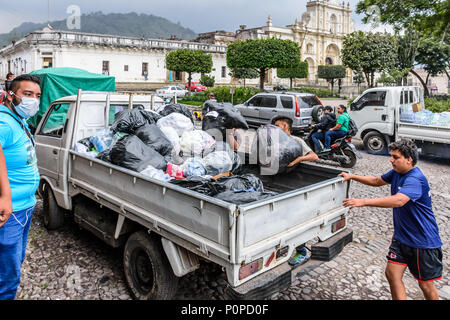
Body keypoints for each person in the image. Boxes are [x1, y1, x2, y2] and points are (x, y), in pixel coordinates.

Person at [339, 139, 443, 300]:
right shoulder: (397, 173)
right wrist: (352, 176)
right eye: (391, 156)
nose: (391, 160)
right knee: (392, 274)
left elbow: (398, 200)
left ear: (409, 159)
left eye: (395, 157)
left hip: (422, 242)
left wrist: (363, 201)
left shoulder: (415, 179)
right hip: (402, 238)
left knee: (425, 285)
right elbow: (376, 181)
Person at [0, 74, 41, 300]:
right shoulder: (4, 122)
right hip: (10, 212)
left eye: (37, 96)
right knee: (7, 276)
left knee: (15, 262)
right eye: (27, 94)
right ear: (10, 95)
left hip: (24, 207)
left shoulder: (19, 120)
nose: (33, 100)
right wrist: (5, 195)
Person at [272, 116, 319, 266]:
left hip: (293, 186)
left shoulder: (297, 141)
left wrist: (298, 160)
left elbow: (314, 156)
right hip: (276, 184)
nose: (275, 129)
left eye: (278, 126)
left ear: (286, 127)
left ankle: (302, 252)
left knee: (294, 221)